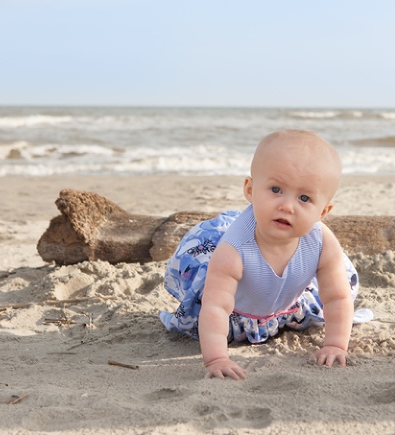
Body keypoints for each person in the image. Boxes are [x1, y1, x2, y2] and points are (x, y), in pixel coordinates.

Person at [159, 129, 372, 380]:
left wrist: (336, 345)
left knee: (341, 280)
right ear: (250, 190)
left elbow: (337, 297)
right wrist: (217, 359)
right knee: (211, 297)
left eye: (304, 198)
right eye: (276, 189)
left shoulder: (322, 242)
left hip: (287, 303)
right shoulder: (234, 249)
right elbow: (216, 307)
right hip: (235, 314)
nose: (287, 206)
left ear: (323, 212)